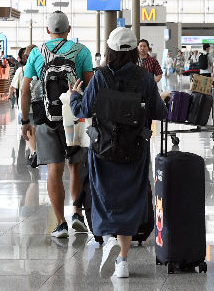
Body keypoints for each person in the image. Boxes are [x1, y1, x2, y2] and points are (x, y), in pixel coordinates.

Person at [70, 27, 169, 279]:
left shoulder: (100, 77)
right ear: (136, 50)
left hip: (103, 148)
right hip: (135, 149)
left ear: (109, 51)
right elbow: (159, 112)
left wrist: (74, 96)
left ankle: (108, 239)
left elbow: (83, 110)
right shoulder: (145, 78)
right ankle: (123, 262)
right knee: (130, 198)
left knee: (103, 195)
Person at [20, 11, 93, 238]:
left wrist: (25, 121)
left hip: (45, 117)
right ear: (68, 30)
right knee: (76, 166)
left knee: (54, 168)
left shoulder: (36, 54)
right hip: (75, 116)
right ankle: (77, 214)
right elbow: (89, 86)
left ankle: (60, 223)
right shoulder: (82, 52)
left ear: (47, 31)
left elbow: (25, 90)